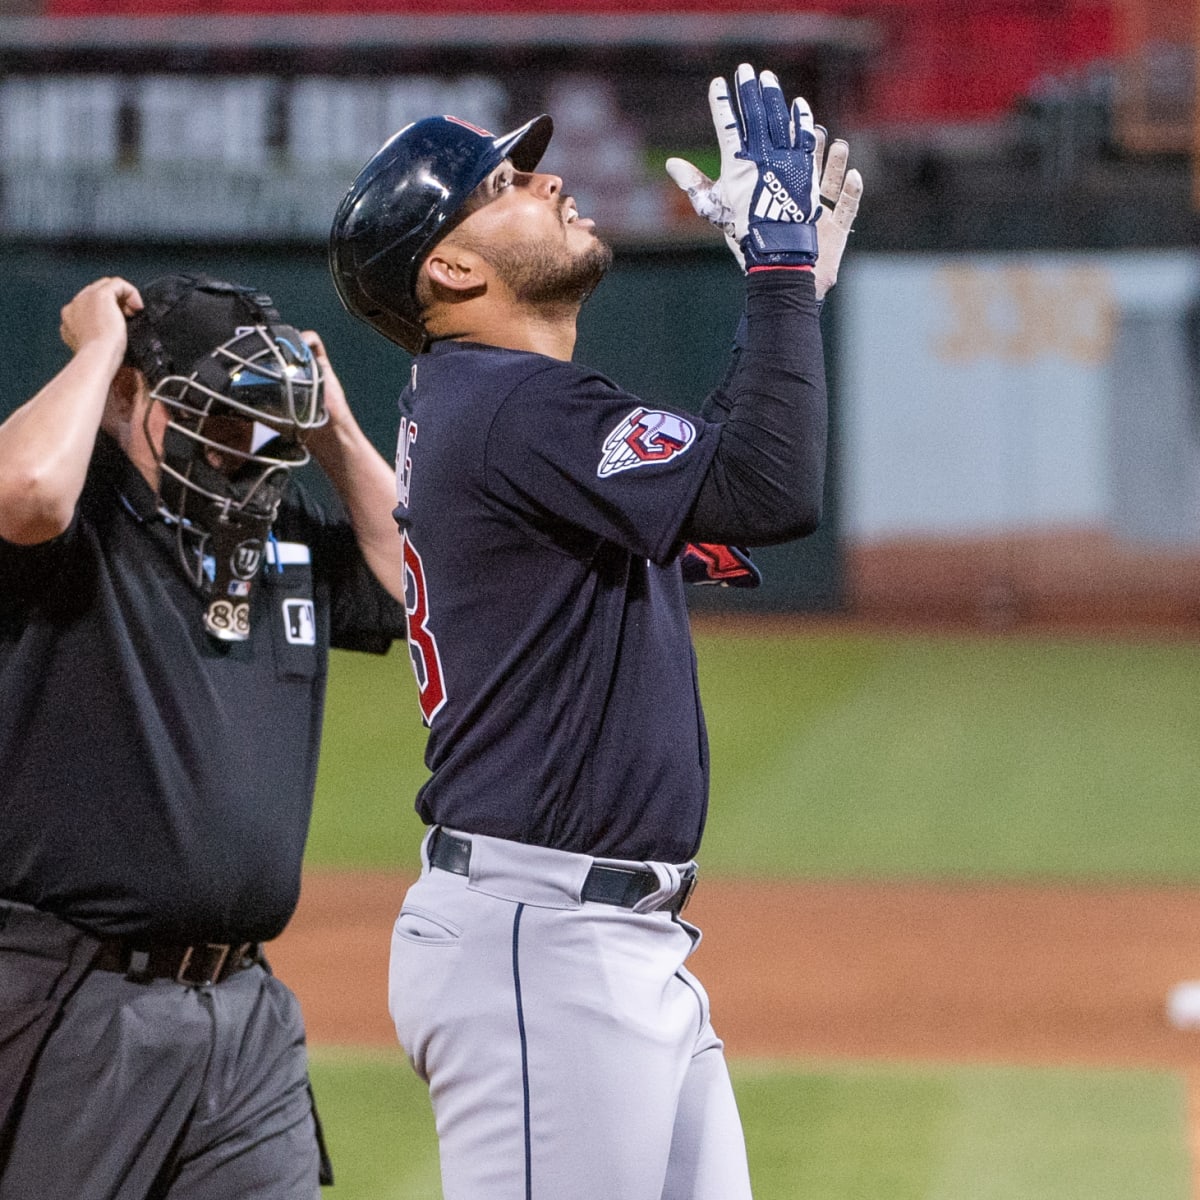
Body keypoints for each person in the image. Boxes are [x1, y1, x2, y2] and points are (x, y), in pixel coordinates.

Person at [327, 63, 862, 1199]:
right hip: (542, 942)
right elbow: (768, 486)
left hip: (600, 941)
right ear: (453, 268)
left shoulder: (494, 406)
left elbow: (723, 472)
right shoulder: (510, 406)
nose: (552, 179)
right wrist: (776, 269)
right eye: (507, 181)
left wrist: (794, 294)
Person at [0, 272, 408, 1199]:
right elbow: (23, 490)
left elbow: (423, 589)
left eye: (269, 425)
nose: (249, 450)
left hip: (246, 1015)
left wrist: (334, 428)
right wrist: (103, 352)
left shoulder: (280, 537)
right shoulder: (72, 524)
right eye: (221, 419)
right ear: (132, 399)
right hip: (78, 1004)